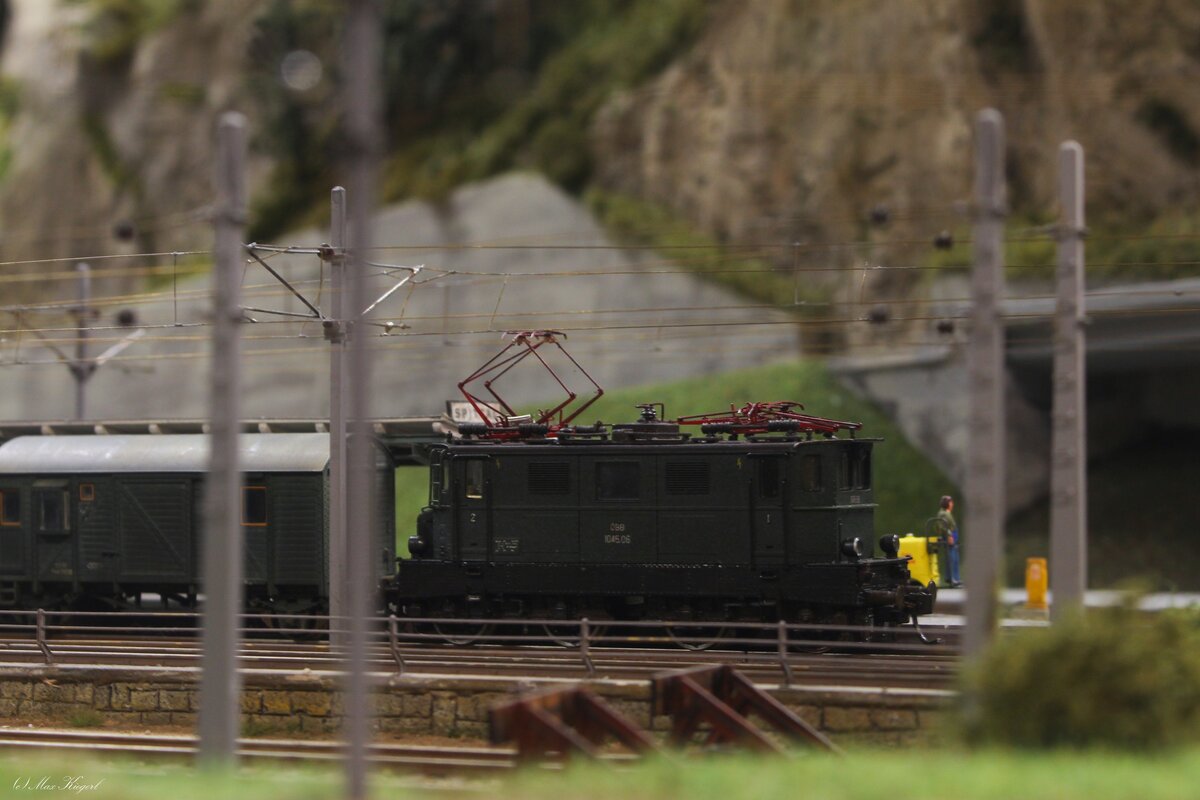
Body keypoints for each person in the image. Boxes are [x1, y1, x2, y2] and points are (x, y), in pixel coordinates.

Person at [936, 495, 961, 587]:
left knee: (953, 557)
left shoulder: (946, 512)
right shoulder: (944, 514)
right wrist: (949, 535)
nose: (952, 504)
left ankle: (953, 577)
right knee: (952, 558)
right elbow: (943, 526)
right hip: (949, 536)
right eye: (951, 502)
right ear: (948, 503)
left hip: (952, 535)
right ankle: (953, 578)